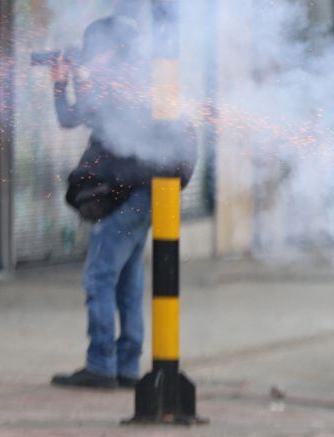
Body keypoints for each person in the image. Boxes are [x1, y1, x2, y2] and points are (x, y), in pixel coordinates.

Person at [50, 16, 196, 390]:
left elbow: (69, 117)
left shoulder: (114, 87)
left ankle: (101, 363)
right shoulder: (140, 82)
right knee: (127, 280)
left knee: (99, 276)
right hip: (148, 194)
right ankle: (127, 364)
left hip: (127, 195)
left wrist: (60, 82)